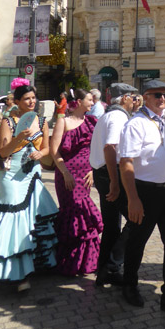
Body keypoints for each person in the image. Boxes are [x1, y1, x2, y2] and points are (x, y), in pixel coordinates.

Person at [118, 80, 165, 316]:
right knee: (137, 242)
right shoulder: (136, 124)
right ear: (145, 98)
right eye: (157, 95)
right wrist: (133, 199)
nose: (163, 99)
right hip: (145, 190)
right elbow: (126, 162)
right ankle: (129, 285)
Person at [0, 81, 57, 291]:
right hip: (12, 175)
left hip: (32, 173)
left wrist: (41, 153)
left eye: (33, 98)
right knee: (13, 219)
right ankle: (15, 272)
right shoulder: (8, 122)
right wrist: (19, 138)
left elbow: (48, 149)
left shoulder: (41, 121)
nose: (31, 102)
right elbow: (2, 152)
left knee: (32, 218)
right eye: (27, 99)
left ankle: (32, 268)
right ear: (18, 102)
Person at [90, 82, 138, 287]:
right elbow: (110, 148)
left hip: (103, 173)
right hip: (110, 174)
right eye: (133, 97)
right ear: (125, 98)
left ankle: (104, 270)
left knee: (111, 226)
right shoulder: (118, 117)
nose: (136, 101)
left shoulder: (108, 115)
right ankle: (112, 264)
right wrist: (115, 183)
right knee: (137, 220)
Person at [50, 88, 102, 276]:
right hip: (68, 176)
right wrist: (65, 173)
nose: (93, 102)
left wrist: (93, 171)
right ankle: (70, 262)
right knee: (73, 215)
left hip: (85, 176)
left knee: (83, 215)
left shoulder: (92, 122)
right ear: (78, 102)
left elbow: (98, 149)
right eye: (89, 99)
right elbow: (54, 151)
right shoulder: (63, 122)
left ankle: (86, 262)